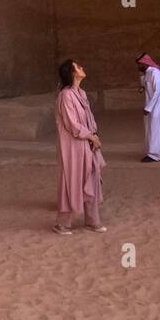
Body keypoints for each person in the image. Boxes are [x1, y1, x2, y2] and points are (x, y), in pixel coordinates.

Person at [54, 59, 105, 235]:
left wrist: (93, 135)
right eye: (78, 66)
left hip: (87, 142)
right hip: (73, 146)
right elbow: (72, 124)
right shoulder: (66, 95)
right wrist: (91, 136)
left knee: (91, 176)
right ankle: (63, 224)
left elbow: (88, 119)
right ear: (72, 73)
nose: (82, 67)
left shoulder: (81, 93)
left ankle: (92, 221)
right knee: (72, 181)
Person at [135, 53, 160, 162]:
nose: (138, 67)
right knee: (155, 127)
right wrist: (142, 86)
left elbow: (157, 91)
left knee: (155, 128)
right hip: (151, 103)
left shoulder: (155, 72)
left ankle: (154, 155)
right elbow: (146, 85)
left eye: (139, 64)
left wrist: (148, 108)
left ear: (144, 63)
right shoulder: (147, 73)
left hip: (157, 105)